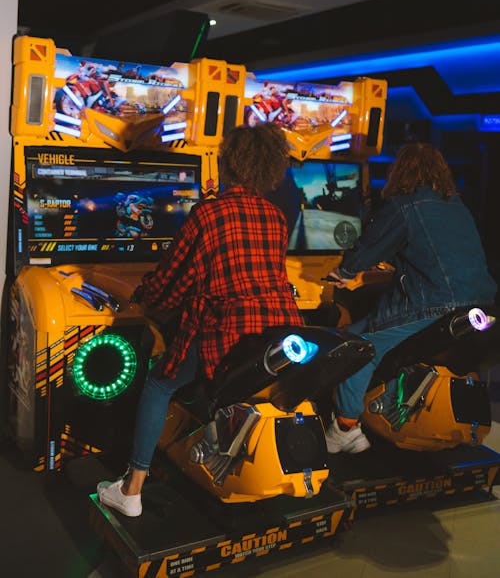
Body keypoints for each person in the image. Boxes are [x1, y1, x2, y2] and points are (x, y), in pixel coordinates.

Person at [97, 123, 304, 515]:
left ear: (229, 162)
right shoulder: (275, 216)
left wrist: (142, 298)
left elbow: (174, 282)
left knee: (160, 381)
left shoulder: (208, 213)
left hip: (227, 329)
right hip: (277, 330)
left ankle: (132, 488)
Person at [324, 142, 497, 454]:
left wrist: (346, 271)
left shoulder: (405, 204)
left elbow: (368, 249)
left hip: (437, 301)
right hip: (479, 301)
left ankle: (345, 427)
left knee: (357, 342)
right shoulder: (455, 204)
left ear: (399, 171)